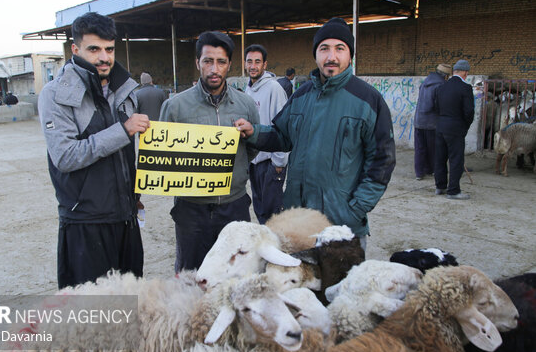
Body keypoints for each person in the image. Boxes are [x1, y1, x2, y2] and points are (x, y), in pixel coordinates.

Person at [235, 17, 396, 252]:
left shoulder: (368, 100)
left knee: (340, 287)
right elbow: (282, 135)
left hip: (341, 225)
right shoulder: (301, 95)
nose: (331, 56)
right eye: (324, 49)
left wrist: (356, 208)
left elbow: (382, 161)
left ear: (349, 54)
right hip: (299, 222)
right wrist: (254, 132)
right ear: (316, 54)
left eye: (339, 48)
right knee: (298, 285)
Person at [38, 12, 149, 289]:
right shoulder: (55, 94)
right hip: (85, 222)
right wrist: (122, 131)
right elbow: (65, 156)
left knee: (129, 303)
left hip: (126, 218)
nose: (104, 57)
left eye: (109, 49)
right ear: (75, 49)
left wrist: (132, 194)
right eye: (94, 49)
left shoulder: (124, 90)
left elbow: (125, 156)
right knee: (90, 313)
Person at [159, 31, 260, 273]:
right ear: (197, 63)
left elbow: (252, 149)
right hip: (191, 210)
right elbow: (162, 155)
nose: (214, 69)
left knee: (236, 274)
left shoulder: (245, 104)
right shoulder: (175, 106)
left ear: (229, 65)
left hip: (234, 205)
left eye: (221, 62)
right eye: (208, 61)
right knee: (191, 276)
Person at [244, 44, 288, 224]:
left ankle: (276, 249)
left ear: (265, 64)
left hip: (270, 162)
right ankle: (266, 249)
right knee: (260, 209)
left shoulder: (274, 88)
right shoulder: (248, 89)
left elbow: (283, 126)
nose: (253, 66)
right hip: (254, 161)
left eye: (257, 62)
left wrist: (279, 161)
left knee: (272, 214)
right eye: (249, 62)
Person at [433, 59, 474, 200]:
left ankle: (440, 186)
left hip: (440, 126)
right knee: (456, 159)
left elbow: (436, 108)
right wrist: (465, 127)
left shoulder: (441, 87)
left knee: (440, 158)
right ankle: (453, 191)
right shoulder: (465, 88)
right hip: (456, 128)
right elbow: (469, 112)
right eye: (467, 73)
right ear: (464, 72)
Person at [413, 63, 451, 180]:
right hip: (431, 123)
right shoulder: (441, 85)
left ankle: (419, 172)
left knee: (420, 148)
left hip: (419, 121)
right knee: (433, 149)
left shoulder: (425, 82)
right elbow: (438, 105)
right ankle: (432, 169)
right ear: (446, 76)